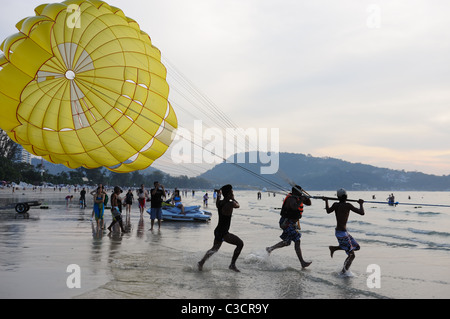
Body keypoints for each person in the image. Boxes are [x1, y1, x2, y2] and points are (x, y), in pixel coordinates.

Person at [198, 184, 243, 272]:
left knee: (214, 249)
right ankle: (232, 265)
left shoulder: (220, 203)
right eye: (232, 192)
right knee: (240, 244)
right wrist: (233, 198)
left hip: (218, 230)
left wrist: (219, 194)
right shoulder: (231, 204)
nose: (233, 193)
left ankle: (201, 262)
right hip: (224, 233)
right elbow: (238, 205)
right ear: (229, 194)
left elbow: (218, 200)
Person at [266, 185, 312, 268]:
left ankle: (270, 248)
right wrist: (301, 199)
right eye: (300, 192)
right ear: (295, 192)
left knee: (287, 242)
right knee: (297, 240)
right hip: (286, 222)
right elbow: (294, 207)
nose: (301, 193)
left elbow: (309, 203)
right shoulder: (291, 199)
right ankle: (302, 262)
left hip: (292, 223)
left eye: (302, 192)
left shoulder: (298, 197)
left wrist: (306, 196)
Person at [323, 188, 365, 275]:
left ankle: (334, 248)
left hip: (342, 232)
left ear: (338, 197)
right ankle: (344, 272)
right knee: (352, 255)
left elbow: (327, 211)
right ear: (346, 197)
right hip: (341, 233)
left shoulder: (336, 204)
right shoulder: (347, 205)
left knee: (356, 247)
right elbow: (362, 212)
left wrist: (326, 201)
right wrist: (361, 204)